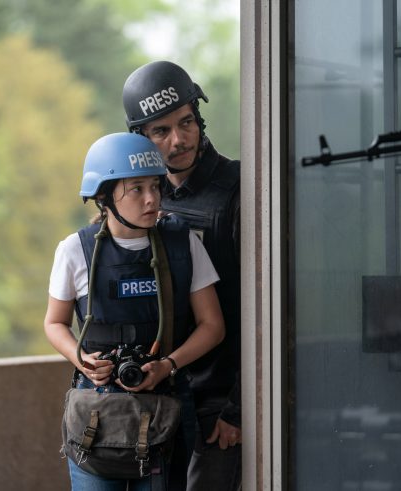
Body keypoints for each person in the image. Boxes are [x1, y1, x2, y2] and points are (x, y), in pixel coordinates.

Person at [44, 132, 225, 490]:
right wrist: (81, 359)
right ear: (104, 197)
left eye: (155, 186)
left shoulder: (184, 244)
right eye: (136, 189)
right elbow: (54, 322)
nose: (152, 198)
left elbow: (212, 325)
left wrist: (167, 365)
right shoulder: (74, 250)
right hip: (96, 410)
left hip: (165, 404)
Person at [122, 61, 242, 490]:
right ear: (141, 137)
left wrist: (239, 408)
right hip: (163, 399)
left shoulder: (239, 190)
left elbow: (266, 309)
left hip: (219, 406)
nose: (179, 139)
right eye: (162, 131)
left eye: (186, 122)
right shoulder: (144, 201)